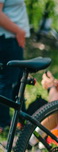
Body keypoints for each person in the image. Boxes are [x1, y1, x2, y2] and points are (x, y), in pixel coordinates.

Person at [0, 0, 29, 131]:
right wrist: (19, 31)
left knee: (18, 80)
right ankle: (3, 123)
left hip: (11, 38)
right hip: (8, 38)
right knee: (7, 82)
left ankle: (21, 119)